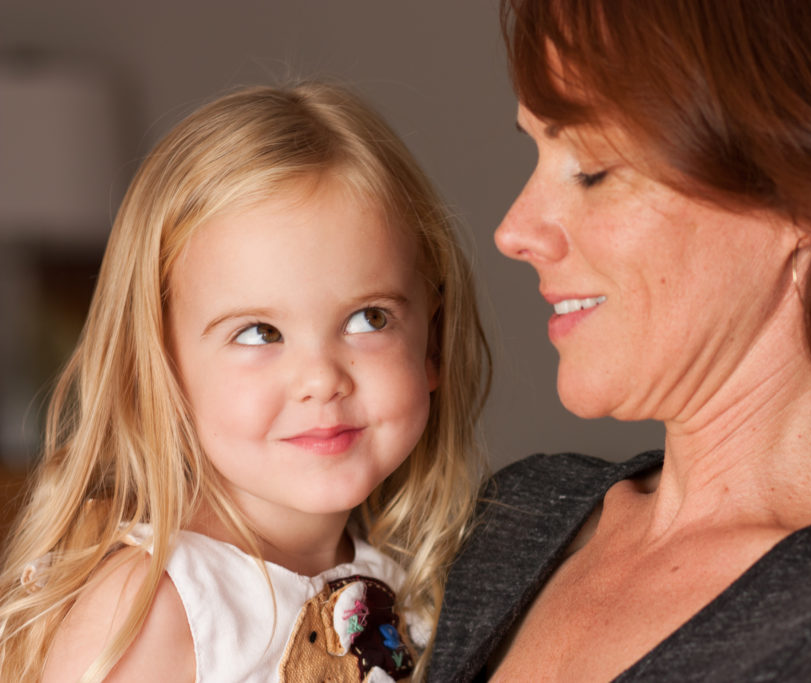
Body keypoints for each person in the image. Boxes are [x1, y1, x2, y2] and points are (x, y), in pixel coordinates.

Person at [430, 0, 811, 680]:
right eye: (537, 151)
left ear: (803, 192)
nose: (514, 229)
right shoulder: (512, 519)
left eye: (593, 167)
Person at [0, 82, 489, 682]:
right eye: (259, 332)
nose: (320, 380)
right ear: (161, 366)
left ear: (432, 343)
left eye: (369, 319)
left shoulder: (411, 595)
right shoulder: (156, 605)